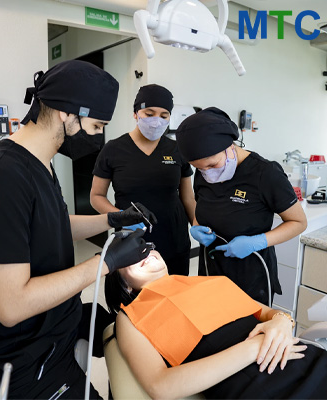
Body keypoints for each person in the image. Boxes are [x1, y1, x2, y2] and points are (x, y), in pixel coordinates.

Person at [0, 60, 157, 399]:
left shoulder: (40, 165)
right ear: (68, 113)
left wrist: (111, 219)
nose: (97, 137)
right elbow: (11, 307)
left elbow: (51, 227)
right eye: (95, 126)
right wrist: (103, 264)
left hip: (55, 327)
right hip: (19, 361)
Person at [104, 251, 327, 399]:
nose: (143, 252)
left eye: (145, 247)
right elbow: (160, 386)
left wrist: (282, 321)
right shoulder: (130, 317)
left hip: (310, 360)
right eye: (129, 255)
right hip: (266, 390)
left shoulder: (209, 281)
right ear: (123, 285)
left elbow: (268, 312)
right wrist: (254, 347)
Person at [174, 107, 307, 304]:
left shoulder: (266, 173)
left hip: (251, 273)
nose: (207, 173)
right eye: (199, 168)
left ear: (229, 145)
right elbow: (202, 206)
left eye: (212, 165)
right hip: (210, 269)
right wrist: (195, 225)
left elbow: (298, 222)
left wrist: (258, 241)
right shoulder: (203, 174)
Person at [91, 84, 195, 276]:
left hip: (174, 238)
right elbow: (96, 196)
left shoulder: (177, 149)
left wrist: (196, 224)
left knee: (176, 296)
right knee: (134, 300)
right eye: (149, 113)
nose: (156, 121)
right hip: (131, 239)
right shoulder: (113, 150)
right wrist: (120, 217)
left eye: (164, 115)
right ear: (135, 113)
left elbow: (188, 198)